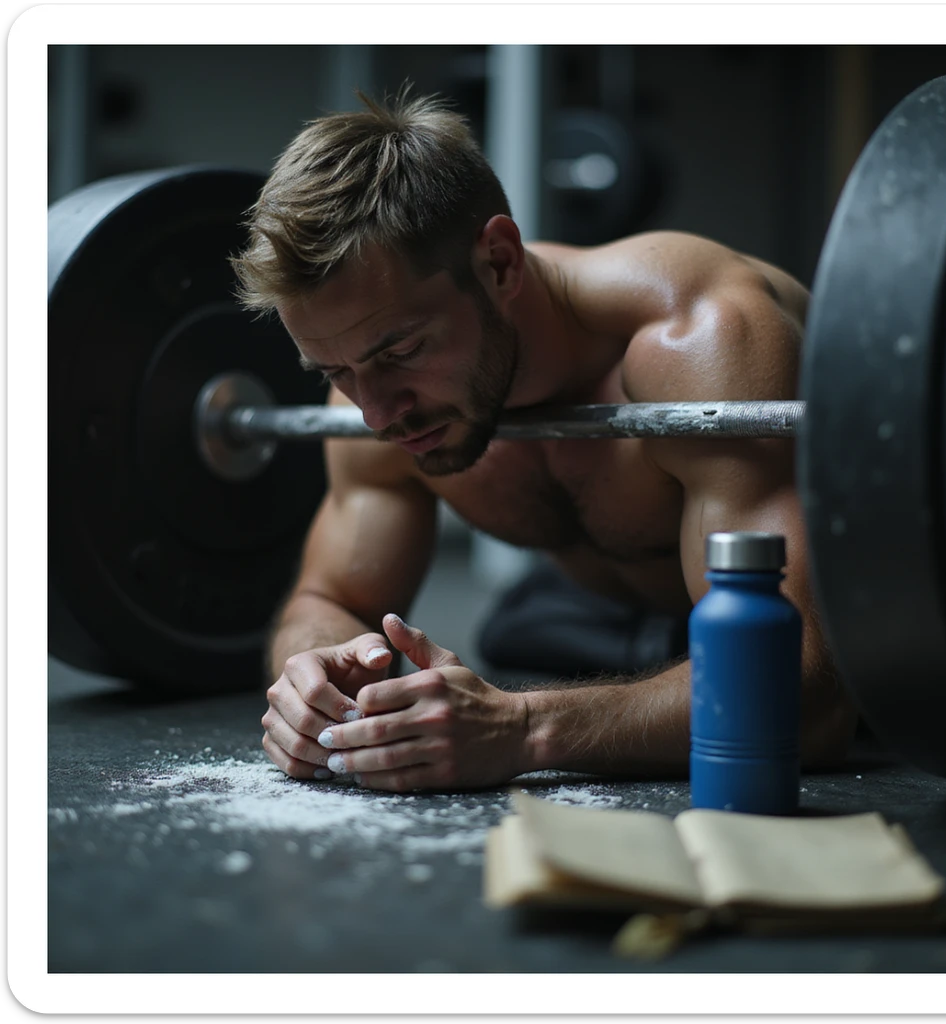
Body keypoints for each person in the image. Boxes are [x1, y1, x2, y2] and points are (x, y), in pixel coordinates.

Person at [231, 89, 858, 793]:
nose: (376, 414)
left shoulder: (698, 341)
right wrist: (311, 670)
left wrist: (523, 728)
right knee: (520, 632)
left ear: (499, 262)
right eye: (335, 370)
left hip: (875, 623)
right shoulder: (374, 384)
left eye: (400, 351)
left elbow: (811, 703)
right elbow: (328, 594)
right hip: (614, 619)